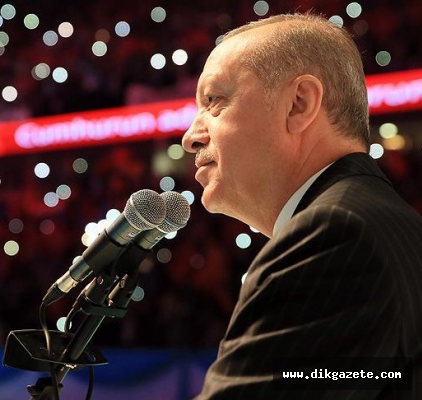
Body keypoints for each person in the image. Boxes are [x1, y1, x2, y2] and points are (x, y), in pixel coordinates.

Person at [181, 12, 422, 399]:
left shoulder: (334, 234)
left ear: (298, 104)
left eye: (213, 102)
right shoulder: (372, 220)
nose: (190, 137)